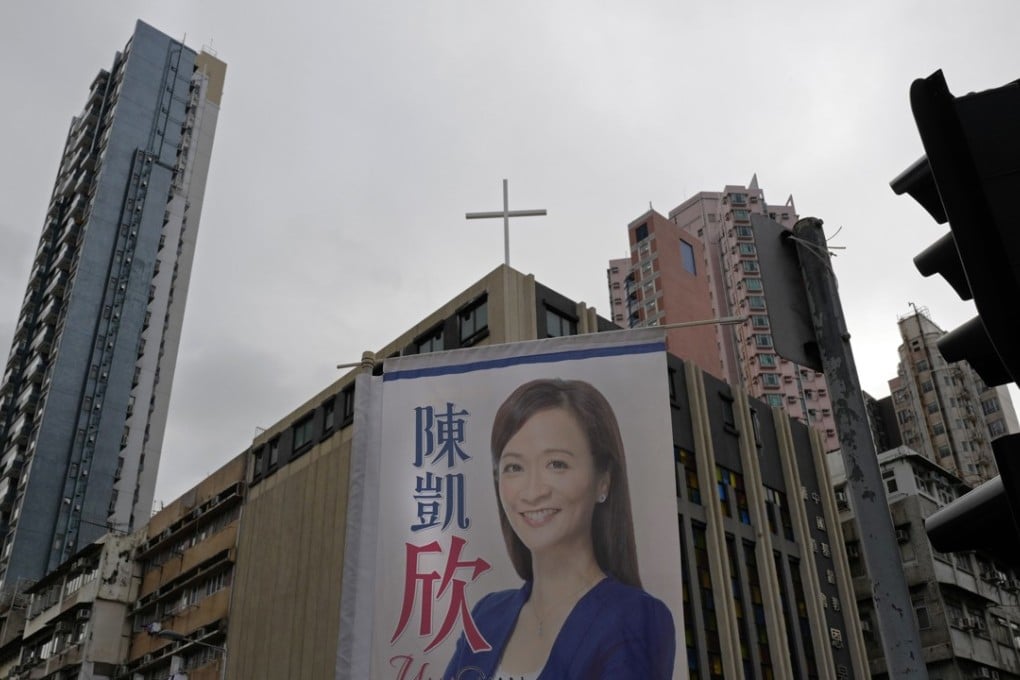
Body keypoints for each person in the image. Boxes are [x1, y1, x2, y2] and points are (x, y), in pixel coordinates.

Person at [443, 378, 675, 680]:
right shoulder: (487, 615)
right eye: (514, 467)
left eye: (556, 464)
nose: (533, 491)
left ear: (603, 479)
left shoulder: (635, 617)